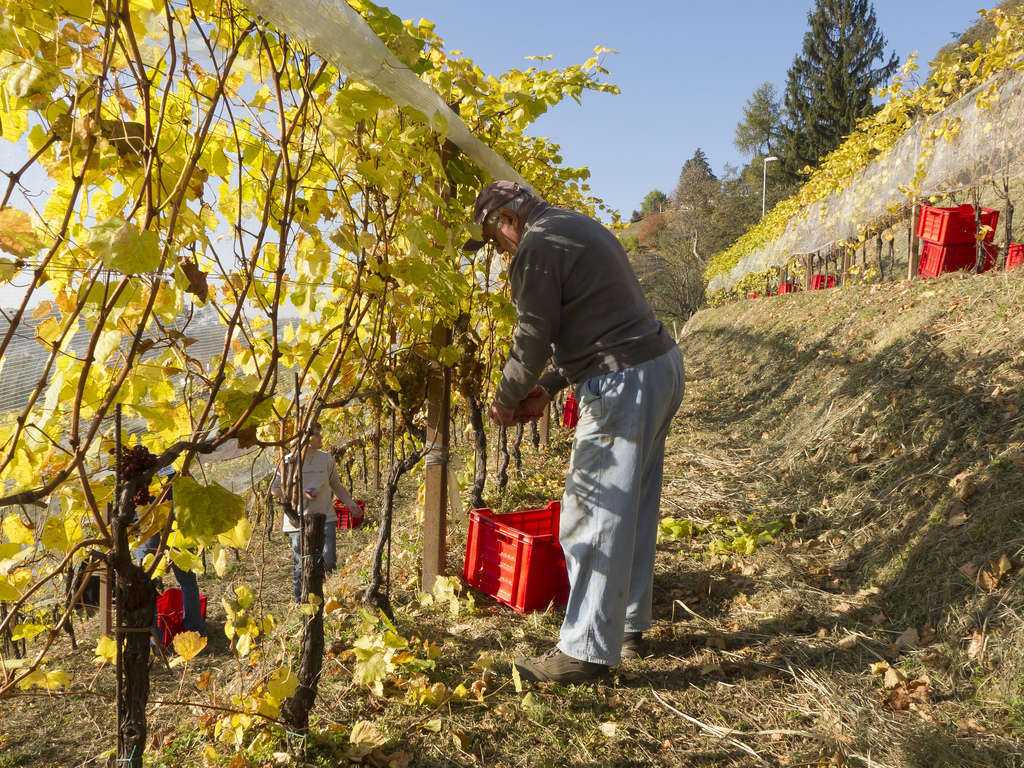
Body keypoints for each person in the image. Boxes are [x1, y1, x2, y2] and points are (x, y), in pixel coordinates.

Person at [463, 181, 685, 683]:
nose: (502, 252)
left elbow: (532, 334)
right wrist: (548, 385)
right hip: (656, 366)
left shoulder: (538, 246)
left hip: (623, 382)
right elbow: (591, 324)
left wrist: (505, 399)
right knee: (633, 506)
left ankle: (585, 651)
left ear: (506, 221)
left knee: (594, 514)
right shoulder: (572, 225)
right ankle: (626, 625)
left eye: (496, 242)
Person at [270, 421, 359, 602]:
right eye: (317, 434)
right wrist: (299, 492)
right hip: (297, 521)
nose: (321, 437)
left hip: (325, 516)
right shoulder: (288, 461)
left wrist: (350, 503)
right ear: (304, 438)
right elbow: (275, 489)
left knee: (329, 560)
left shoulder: (326, 458)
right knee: (301, 564)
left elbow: (335, 484)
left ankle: (325, 599)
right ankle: (300, 603)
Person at [136, 468, 206, 638]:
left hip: (151, 528)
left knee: (147, 583)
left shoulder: (140, 468)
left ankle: (155, 638)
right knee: (187, 581)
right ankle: (194, 629)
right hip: (175, 528)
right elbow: (192, 489)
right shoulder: (176, 465)